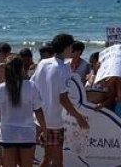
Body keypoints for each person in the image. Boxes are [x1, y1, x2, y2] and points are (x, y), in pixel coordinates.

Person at [31, 34, 90, 167]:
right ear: (66, 48)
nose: (72, 50)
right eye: (71, 47)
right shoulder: (63, 68)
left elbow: (32, 86)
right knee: (57, 161)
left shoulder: (43, 63)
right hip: (54, 121)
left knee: (47, 158)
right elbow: (63, 98)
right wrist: (79, 117)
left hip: (39, 118)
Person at [0, 56, 47, 167]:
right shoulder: (31, 86)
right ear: (22, 69)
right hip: (27, 134)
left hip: (7, 134)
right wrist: (44, 129)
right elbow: (38, 110)